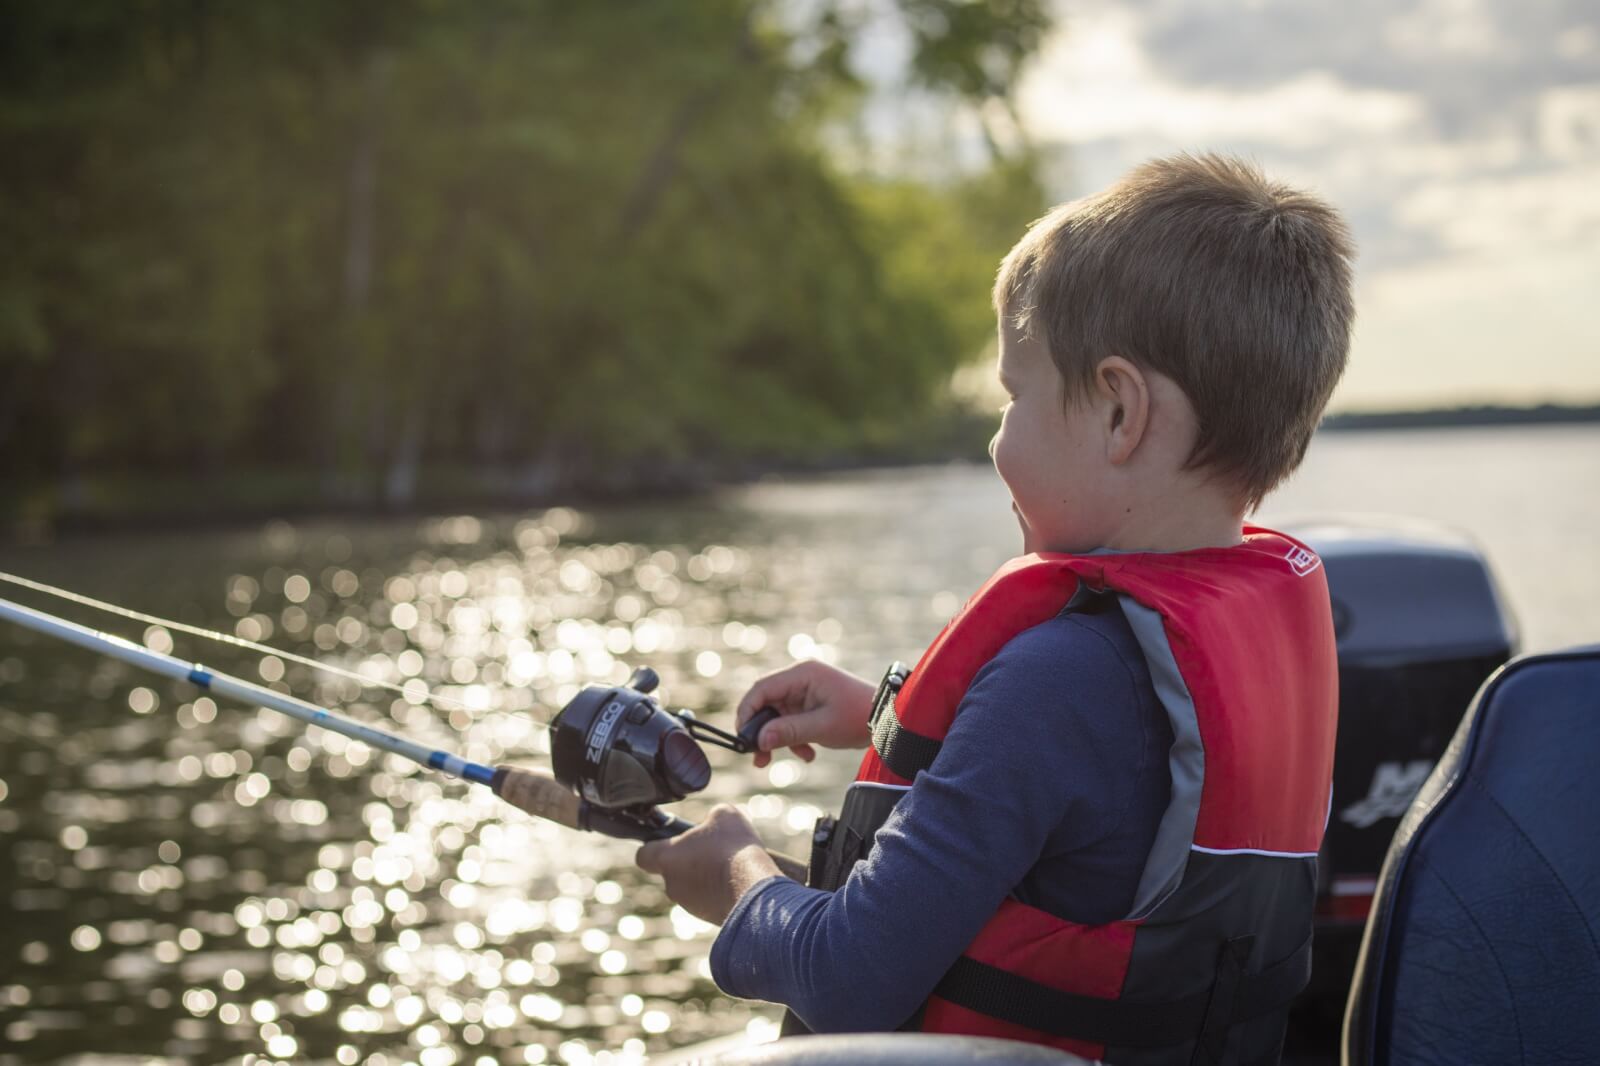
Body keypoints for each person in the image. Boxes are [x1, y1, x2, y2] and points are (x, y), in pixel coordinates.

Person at [636, 152, 1355, 1064]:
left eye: (1015, 396)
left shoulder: (1057, 679)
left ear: (1118, 412)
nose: (996, 438)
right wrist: (883, 717)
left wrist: (734, 875)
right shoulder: (1254, 642)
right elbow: (1121, 780)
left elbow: (849, 973)